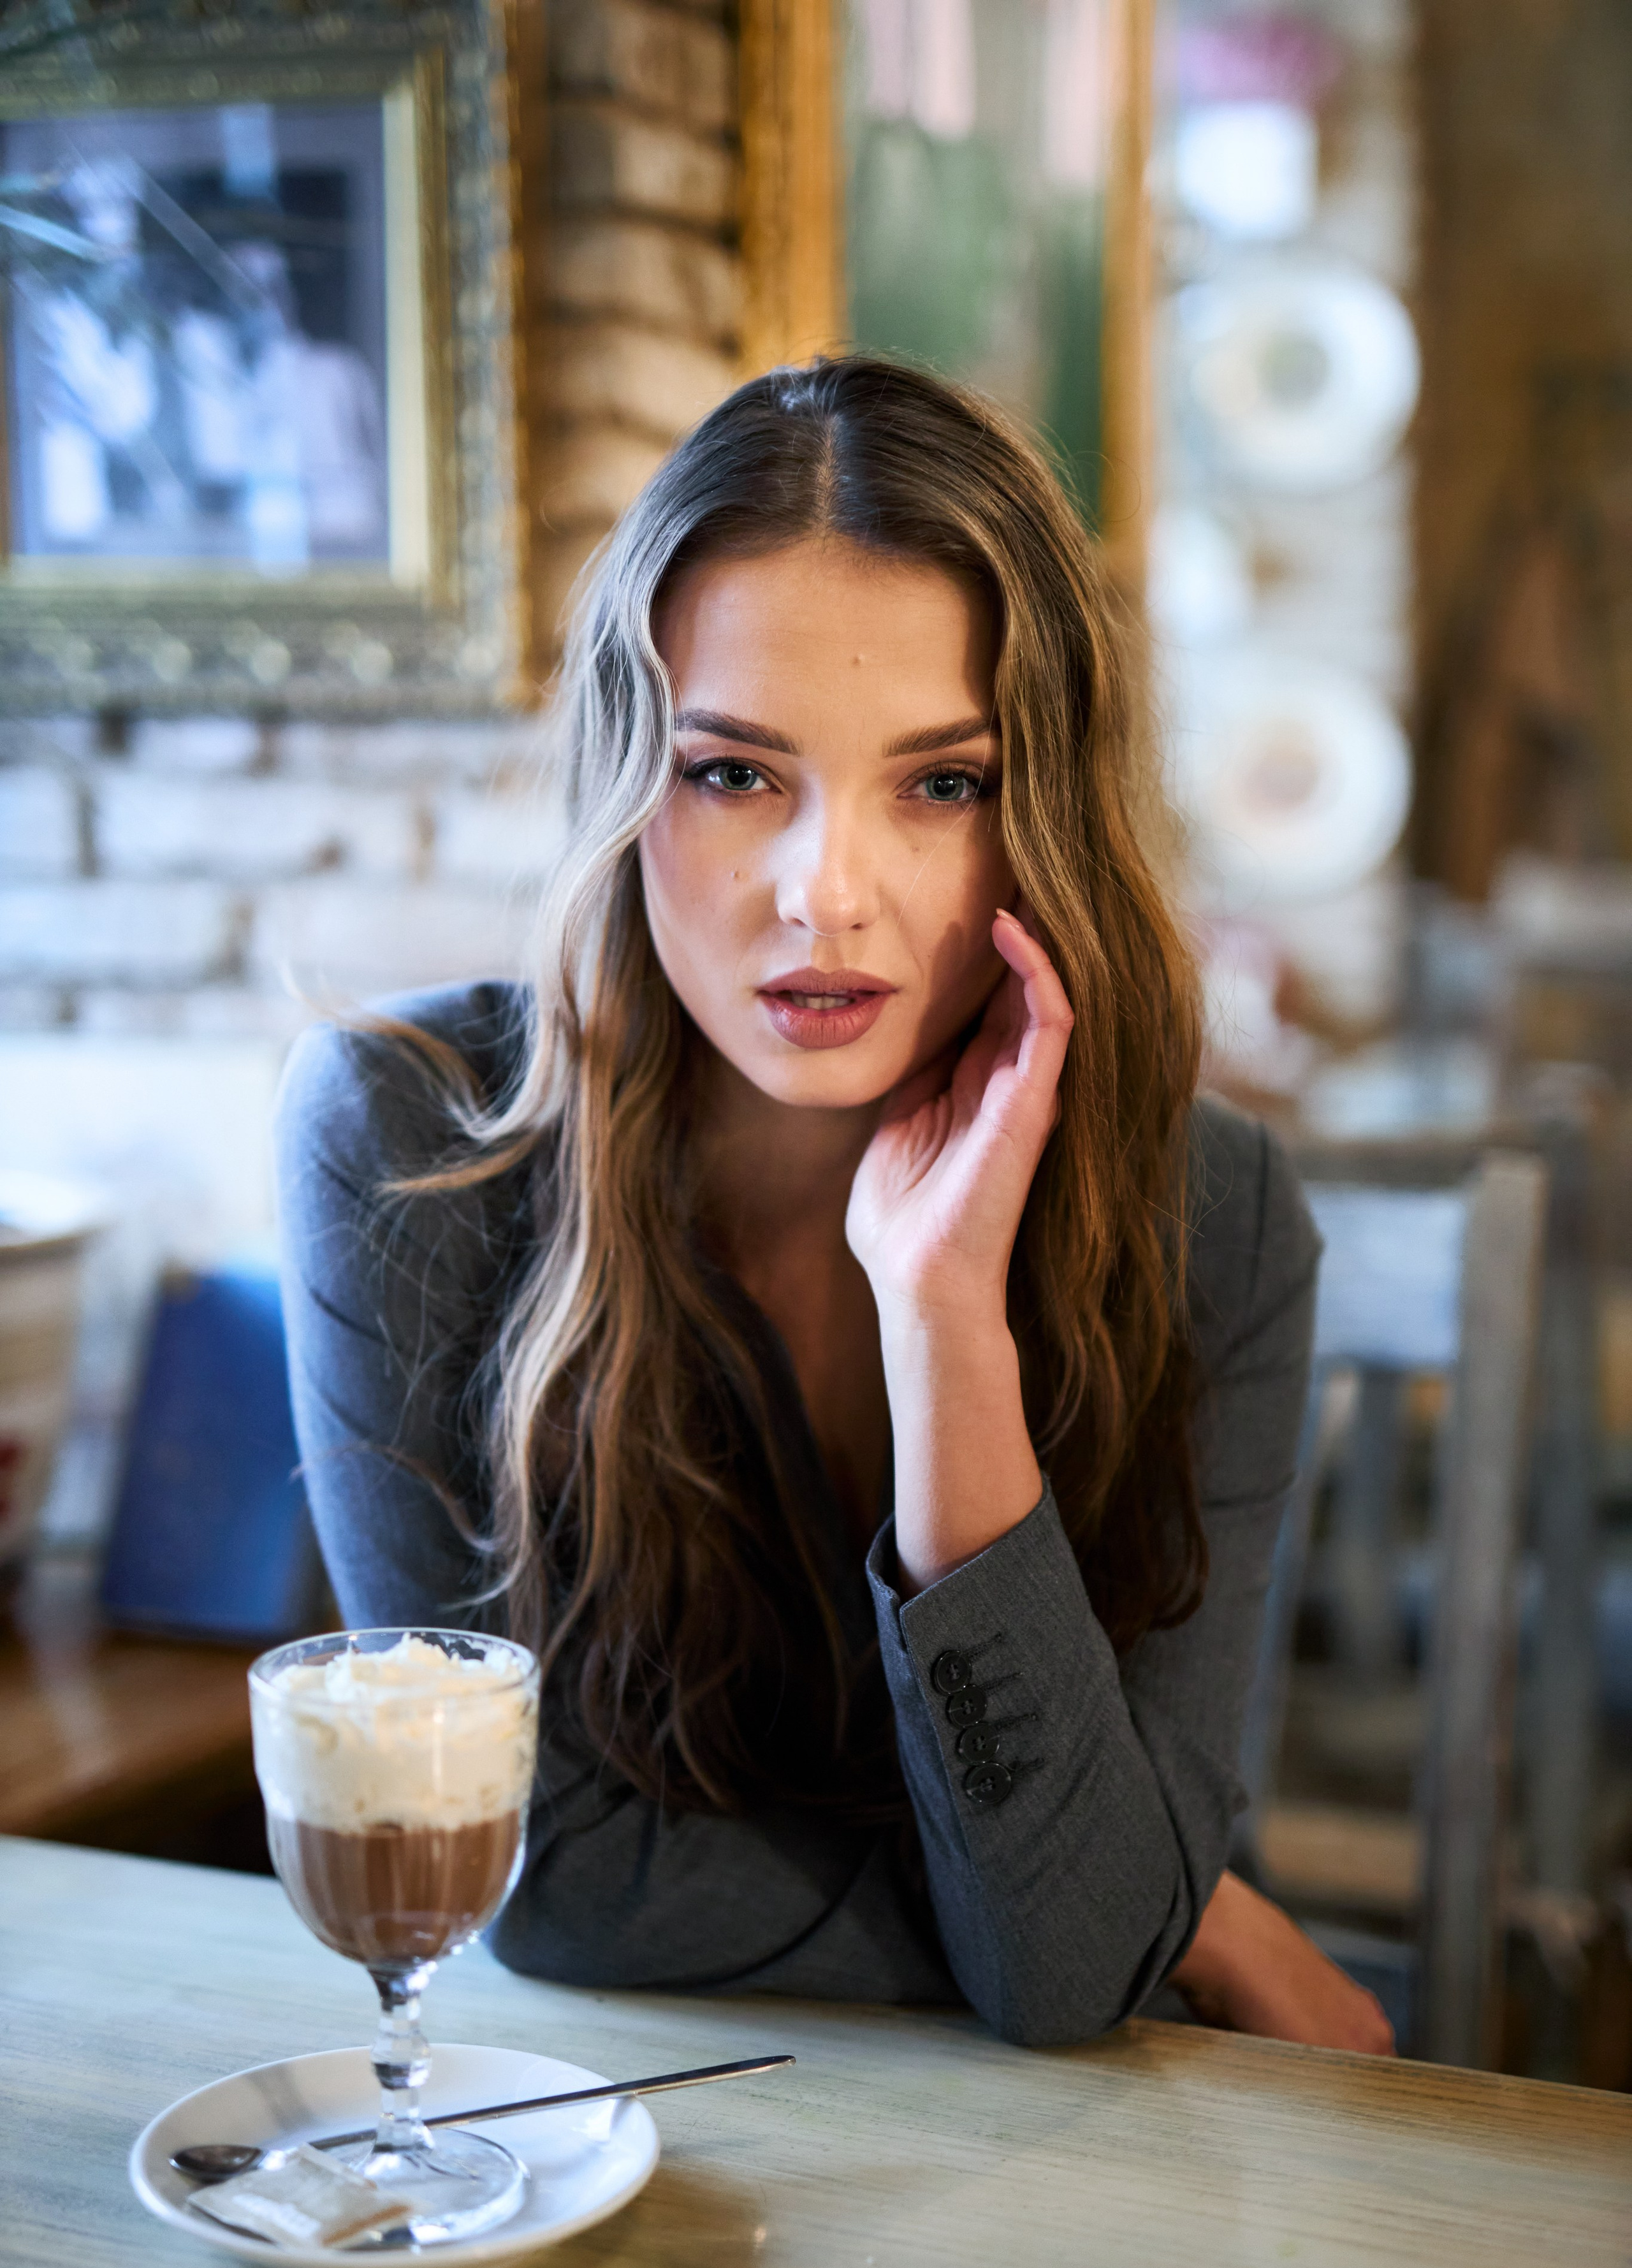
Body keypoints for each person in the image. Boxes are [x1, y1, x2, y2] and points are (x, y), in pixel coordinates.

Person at [276, 356, 1392, 2054]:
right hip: (589, 2124)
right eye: (735, 774)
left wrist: (944, 1321)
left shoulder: (1215, 1224)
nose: (830, 897)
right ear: (626, 786)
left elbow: (1072, 1980)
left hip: (1053, 2198)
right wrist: (1167, 1901)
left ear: (1047, 820)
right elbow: (540, 1875)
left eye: (942, 783)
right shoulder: (410, 1145)